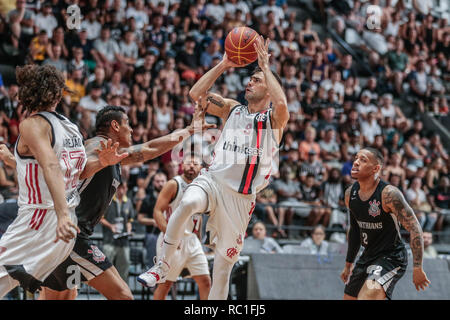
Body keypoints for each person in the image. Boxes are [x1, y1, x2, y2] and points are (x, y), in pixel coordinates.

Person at [0, 102, 213, 300]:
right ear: (115, 126)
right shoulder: (95, 147)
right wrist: (189, 130)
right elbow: (57, 167)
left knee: (64, 297)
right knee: (123, 296)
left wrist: (15, 162)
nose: (131, 129)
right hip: (72, 237)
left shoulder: (112, 153)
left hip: (62, 236)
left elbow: (148, 150)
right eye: (127, 123)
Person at [138, 36, 289, 300]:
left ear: (269, 89)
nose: (249, 82)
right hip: (212, 181)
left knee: (222, 271)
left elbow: (284, 105)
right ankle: (162, 264)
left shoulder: (274, 120)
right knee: (186, 203)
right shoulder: (232, 109)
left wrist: (265, 67)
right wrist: (223, 64)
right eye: (250, 78)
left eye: (256, 80)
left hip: (240, 200)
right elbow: (196, 94)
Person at [0, 64, 99, 298]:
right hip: (64, 230)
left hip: (39, 220)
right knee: (56, 295)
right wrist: (15, 161)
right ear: (58, 93)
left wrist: (62, 214)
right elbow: (69, 171)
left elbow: (51, 165)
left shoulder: (32, 124)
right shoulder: (71, 128)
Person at [341, 148, 430, 300]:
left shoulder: (389, 194)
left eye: (363, 160)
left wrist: (417, 267)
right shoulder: (350, 194)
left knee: (367, 297)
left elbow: (414, 227)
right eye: (356, 158)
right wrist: (349, 264)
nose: (355, 162)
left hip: (391, 256)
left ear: (376, 168)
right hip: (367, 255)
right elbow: (355, 230)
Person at [152, 153, 211, 300]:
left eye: (195, 163)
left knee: (205, 281)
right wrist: (169, 235)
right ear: (181, 166)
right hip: (172, 239)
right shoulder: (174, 184)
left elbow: (198, 216)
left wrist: (198, 238)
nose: (191, 166)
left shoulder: (202, 186)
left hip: (191, 240)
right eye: (188, 163)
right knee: (166, 284)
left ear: (201, 168)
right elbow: (157, 211)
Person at [100, 182, 134, 282]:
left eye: (124, 187)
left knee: (125, 265)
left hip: (123, 241)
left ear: (127, 188)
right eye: (120, 188)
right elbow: (100, 219)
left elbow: (129, 221)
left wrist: (129, 229)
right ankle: (105, 294)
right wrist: (111, 226)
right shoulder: (108, 200)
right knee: (106, 268)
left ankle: (122, 292)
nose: (122, 190)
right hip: (109, 239)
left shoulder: (128, 202)